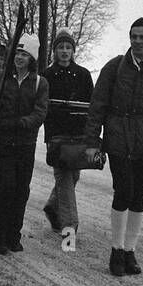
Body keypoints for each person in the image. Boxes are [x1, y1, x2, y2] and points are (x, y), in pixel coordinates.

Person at [82, 17, 143, 277]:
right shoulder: (114, 68)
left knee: (140, 196)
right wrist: (93, 142)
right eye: (134, 36)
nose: (137, 41)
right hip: (118, 141)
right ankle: (116, 250)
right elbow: (98, 106)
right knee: (123, 191)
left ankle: (130, 250)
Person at [0, 34, 49, 254]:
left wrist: (21, 123)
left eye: (24, 54)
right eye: (17, 52)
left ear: (32, 57)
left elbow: (40, 113)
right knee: (4, 188)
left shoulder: (39, 83)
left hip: (25, 143)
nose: (19, 57)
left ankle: (14, 235)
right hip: (3, 141)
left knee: (21, 190)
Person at [42, 31, 94, 237]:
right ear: (54, 51)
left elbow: (92, 105)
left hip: (78, 134)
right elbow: (41, 105)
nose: (64, 51)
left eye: (68, 48)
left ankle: (53, 207)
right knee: (63, 176)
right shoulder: (46, 76)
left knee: (73, 176)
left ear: (73, 51)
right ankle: (70, 227)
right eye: (60, 47)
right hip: (57, 135)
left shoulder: (83, 74)